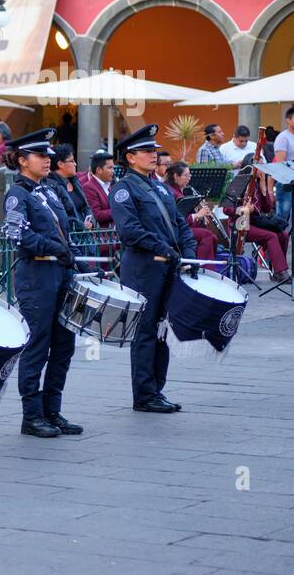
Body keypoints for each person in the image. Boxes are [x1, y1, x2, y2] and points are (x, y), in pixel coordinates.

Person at [110, 124, 198, 414]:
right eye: (146, 151)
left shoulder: (159, 185)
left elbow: (179, 222)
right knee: (145, 331)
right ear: (130, 157)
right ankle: (144, 394)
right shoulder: (123, 189)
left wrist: (189, 253)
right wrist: (166, 250)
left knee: (163, 329)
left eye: (154, 151)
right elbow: (130, 231)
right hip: (143, 269)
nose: (153, 155)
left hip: (169, 267)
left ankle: (157, 390)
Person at [1, 129, 81, 439]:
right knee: (38, 346)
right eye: (40, 156)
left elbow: (64, 230)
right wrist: (54, 249)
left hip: (61, 272)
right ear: (22, 161)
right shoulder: (17, 194)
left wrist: (72, 256)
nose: (47, 160)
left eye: (48, 156)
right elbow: (16, 234)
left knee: (64, 345)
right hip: (37, 275)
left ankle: (52, 410)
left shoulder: (47, 190)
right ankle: (31, 416)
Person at [164, 162, 220, 265]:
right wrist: (197, 215)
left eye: (189, 175)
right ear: (176, 176)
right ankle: (202, 268)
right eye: (186, 175)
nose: (189, 178)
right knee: (207, 235)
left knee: (213, 237)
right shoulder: (172, 193)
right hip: (174, 231)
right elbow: (176, 219)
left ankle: (206, 266)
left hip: (182, 228)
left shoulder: (180, 191)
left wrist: (199, 218)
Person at [48, 143, 95, 232]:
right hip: (68, 236)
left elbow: (86, 206)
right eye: (72, 161)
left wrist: (90, 221)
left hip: (84, 237)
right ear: (60, 164)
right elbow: (61, 216)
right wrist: (80, 225)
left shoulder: (75, 182)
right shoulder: (51, 186)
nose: (75, 164)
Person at [79, 150, 116, 227]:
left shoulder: (109, 185)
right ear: (99, 170)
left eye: (113, 167)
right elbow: (96, 214)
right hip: (101, 236)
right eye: (110, 168)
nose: (113, 171)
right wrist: (119, 211)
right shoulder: (89, 187)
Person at [273, 105, 294, 228]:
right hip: (286, 182)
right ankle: (275, 244)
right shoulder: (283, 137)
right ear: (288, 120)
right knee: (283, 217)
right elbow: (280, 163)